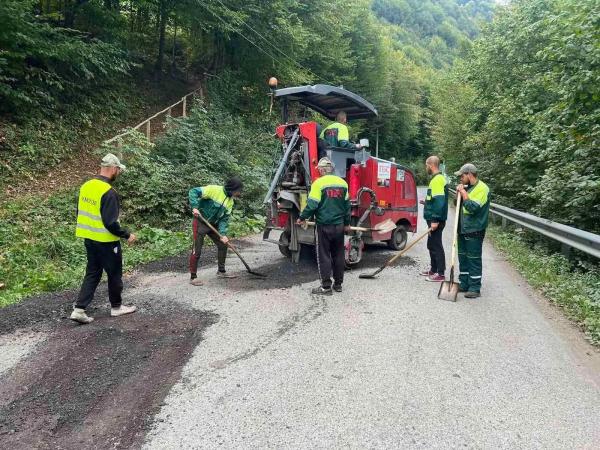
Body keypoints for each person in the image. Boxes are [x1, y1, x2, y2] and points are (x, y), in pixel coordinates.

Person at [71, 153, 137, 324]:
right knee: (114, 274)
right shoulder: (109, 192)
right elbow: (110, 222)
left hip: (89, 238)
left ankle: (79, 309)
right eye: (118, 170)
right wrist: (127, 234)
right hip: (107, 241)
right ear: (113, 169)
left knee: (92, 273)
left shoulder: (86, 186)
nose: (118, 173)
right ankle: (116, 307)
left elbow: (80, 213)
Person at [296, 157, 351, 295]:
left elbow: (312, 205)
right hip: (339, 226)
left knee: (324, 255)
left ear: (321, 170)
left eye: (319, 169)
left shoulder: (318, 183)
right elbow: (347, 207)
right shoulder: (343, 183)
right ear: (331, 169)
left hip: (324, 226)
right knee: (338, 255)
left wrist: (302, 217)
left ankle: (326, 287)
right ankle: (338, 285)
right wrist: (348, 224)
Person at [188, 177, 243, 286]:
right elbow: (193, 191)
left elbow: (224, 219)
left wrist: (222, 234)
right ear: (232, 188)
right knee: (197, 250)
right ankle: (193, 277)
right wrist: (194, 207)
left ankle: (221, 271)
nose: (238, 194)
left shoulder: (230, 202)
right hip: (200, 221)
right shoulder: (213, 189)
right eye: (238, 191)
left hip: (213, 224)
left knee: (223, 244)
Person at [454, 163, 490, 298]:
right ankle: (464, 284)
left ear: (469, 174)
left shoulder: (482, 188)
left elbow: (473, 208)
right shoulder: (468, 188)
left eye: (462, 176)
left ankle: (475, 288)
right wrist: (459, 194)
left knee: (473, 258)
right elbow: (458, 204)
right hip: (463, 229)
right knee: (463, 257)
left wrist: (463, 193)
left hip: (475, 229)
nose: (460, 179)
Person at [421, 155, 448, 282]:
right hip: (433, 218)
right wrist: (426, 202)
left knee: (436, 245)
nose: (426, 167)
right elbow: (434, 199)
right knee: (431, 245)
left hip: (435, 220)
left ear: (431, 165)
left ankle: (440, 274)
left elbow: (439, 202)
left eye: (427, 165)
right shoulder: (437, 179)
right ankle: (433, 269)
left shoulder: (437, 180)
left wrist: (435, 220)